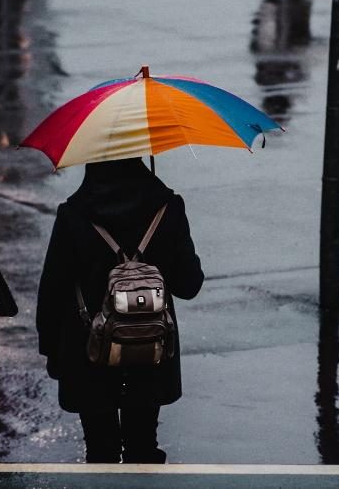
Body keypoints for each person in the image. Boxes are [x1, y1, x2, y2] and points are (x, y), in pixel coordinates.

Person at [36, 157, 204, 463]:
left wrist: (52, 352)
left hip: (89, 351)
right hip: (149, 349)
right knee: (143, 447)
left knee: (101, 451)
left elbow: (53, 290)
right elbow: (189, 284)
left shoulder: (73, 214)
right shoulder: (167, 208)